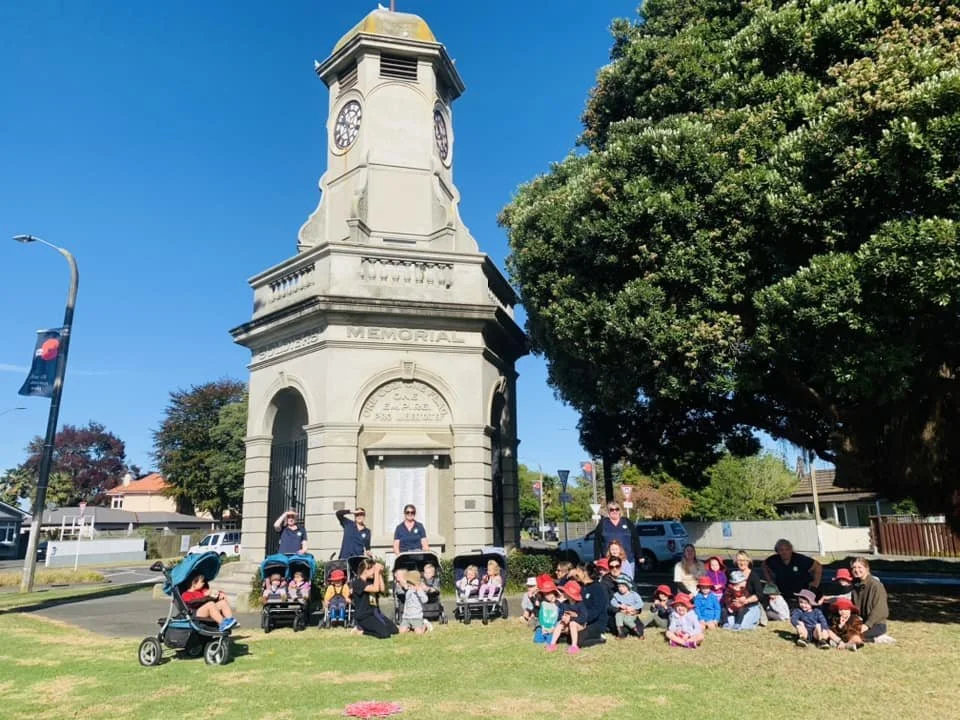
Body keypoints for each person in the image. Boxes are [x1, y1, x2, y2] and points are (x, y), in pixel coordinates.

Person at [593, 502, 643, 579]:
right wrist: (596, 558)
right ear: (608, 512)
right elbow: (597, 541)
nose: (614, 511)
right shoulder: (603, 523)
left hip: (627, 559)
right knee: (609, 582)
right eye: (611, 509)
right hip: (609, 560)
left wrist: (640, 555)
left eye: (616, 509)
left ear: (620, 511)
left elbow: (635, 539)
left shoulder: (627, 521)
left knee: (627, 582)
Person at [850, 556, 895, 644]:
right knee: (844, 633)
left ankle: (878, 639)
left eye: (860, 567)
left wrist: (867, 625)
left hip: (876, 624)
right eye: (854, 568)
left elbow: (880, 609)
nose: (856, 570)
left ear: (867, 568)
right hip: (861, 622)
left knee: (853, 636)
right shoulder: (856, 586)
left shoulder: (876, 585)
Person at [350, 558, 398, 639]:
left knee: (394, 630)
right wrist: (376, 571)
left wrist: (379, 573)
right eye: (373, 569)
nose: (374, 571)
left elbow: (382, 589)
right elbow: (375, 589)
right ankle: (361, 631)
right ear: (366, 570)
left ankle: (367, 628)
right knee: (385, 634)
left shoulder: (370, 581)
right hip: (364, 616)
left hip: (376, 613)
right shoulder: (357, 583)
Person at [546, 581, 586, 654]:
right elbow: (560, 614)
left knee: (572, 624)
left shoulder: (580, 604)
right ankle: (552, 644)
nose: (563, 593)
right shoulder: (564, 604)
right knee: (560, 624)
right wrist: (563, 617)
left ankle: (574, 646)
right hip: (567, 624)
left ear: (570, 595)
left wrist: (572, 618)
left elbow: (584, 618)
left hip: (579, 625)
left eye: (565, 592)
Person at [729, 551, 767, 628]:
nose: (742, 563)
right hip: (736, 607)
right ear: (736, 562)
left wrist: (745, 601)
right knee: (730, 624)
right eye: (739, 560)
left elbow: (760, 595)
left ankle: (756, 619)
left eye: (744, 560)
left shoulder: (754, 575)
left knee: (742, 626)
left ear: (748, 561)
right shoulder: (734, 575)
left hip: (751, 606)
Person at [575, 564, 609, 647]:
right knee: (569, 636)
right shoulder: (580, 586)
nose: (576, 573)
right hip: (581, 619)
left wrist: (583, 619)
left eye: (578, 571)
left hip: (596, 623)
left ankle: (600, 638)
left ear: (585, 573)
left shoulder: (597, 588)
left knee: (579, 641)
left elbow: (597, 610)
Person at [397, 569, 429, 635]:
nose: (407, 583)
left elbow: (425, 600)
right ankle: (410, 627)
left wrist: (419, 590)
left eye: (408, 581)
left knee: (419, 633)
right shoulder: (408, 590)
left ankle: (425, 625)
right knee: (401, 631)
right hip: (407, 617)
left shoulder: (419, 589)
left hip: (416, 617)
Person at [535, 575, 560, 643]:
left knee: (550, 640)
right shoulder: (543, 603)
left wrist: (554, 627)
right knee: (538, 639)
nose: (548, 595)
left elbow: (558, 617)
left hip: (553, 626)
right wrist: (542, 626)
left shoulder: (558, 604)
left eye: (550, 592)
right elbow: (540, 615)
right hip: (543, 625)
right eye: (546, 593)